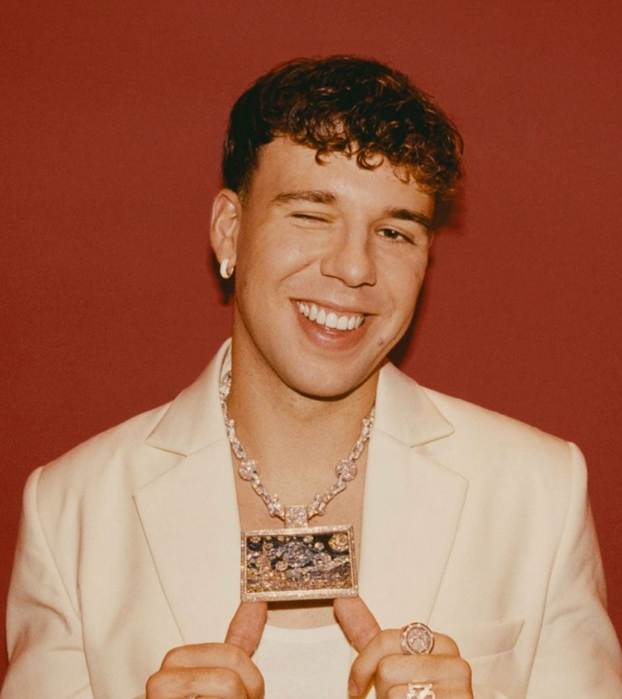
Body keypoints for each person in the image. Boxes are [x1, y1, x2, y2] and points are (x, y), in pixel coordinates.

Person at [2, 55, 621, 699]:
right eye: (311, 215)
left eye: (394, 232)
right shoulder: (72, 511)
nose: (354, 268)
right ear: (230, 231)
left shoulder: (537, 492)